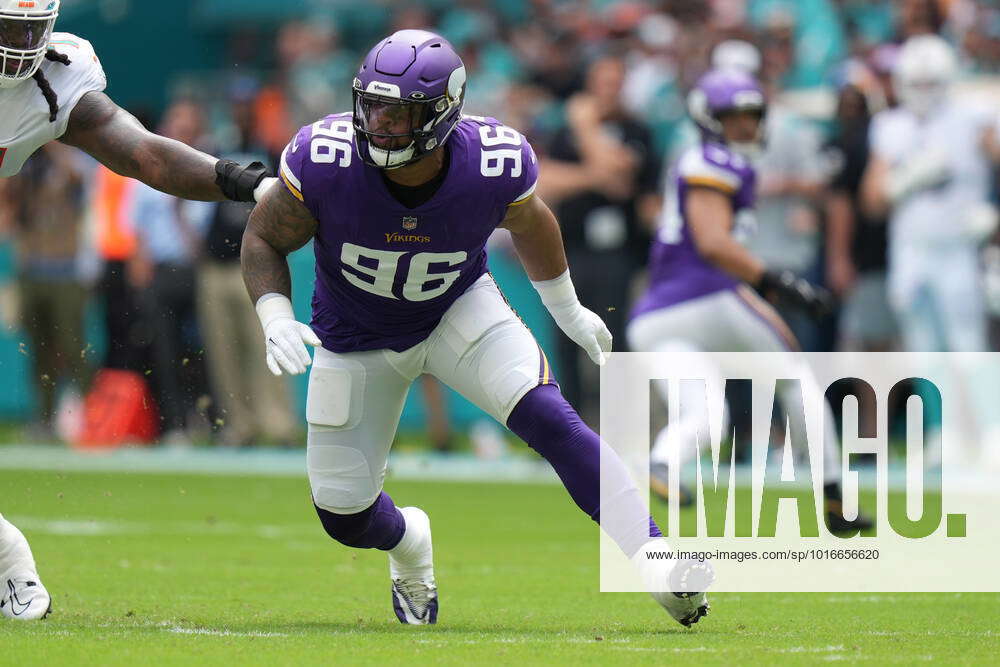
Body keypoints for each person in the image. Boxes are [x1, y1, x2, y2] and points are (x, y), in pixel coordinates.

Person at [242, 30, 711, 627]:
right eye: (373, 106)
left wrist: (565, 308)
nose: (380, 124)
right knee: (343, 515)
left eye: (399, 112)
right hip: (353, 333)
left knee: (550, 417)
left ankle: (656, 559)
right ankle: (410, 542)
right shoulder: (325, 157)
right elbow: (262, 235)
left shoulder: (492, 161)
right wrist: (274, 312)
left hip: (457, 311)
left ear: (442, 114)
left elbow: (533, 222)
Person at [0, 0, 272, 619]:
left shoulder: (56, 79)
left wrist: (243, 180)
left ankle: (8, 559)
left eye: (29, 27)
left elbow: (145, 155)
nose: (18, 41)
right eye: (5, 25)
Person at [625, 68, 873, 534]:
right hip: (709, 294)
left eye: (751, 116)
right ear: (710, 119)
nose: (746, 125)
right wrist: (777, 282)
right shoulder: (714, 161)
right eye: (734, 116)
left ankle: (662, 462)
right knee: (795, 379)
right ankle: (836, 497)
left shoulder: (702, 159)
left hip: (653, 315)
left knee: (705, 415)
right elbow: (713, 242)